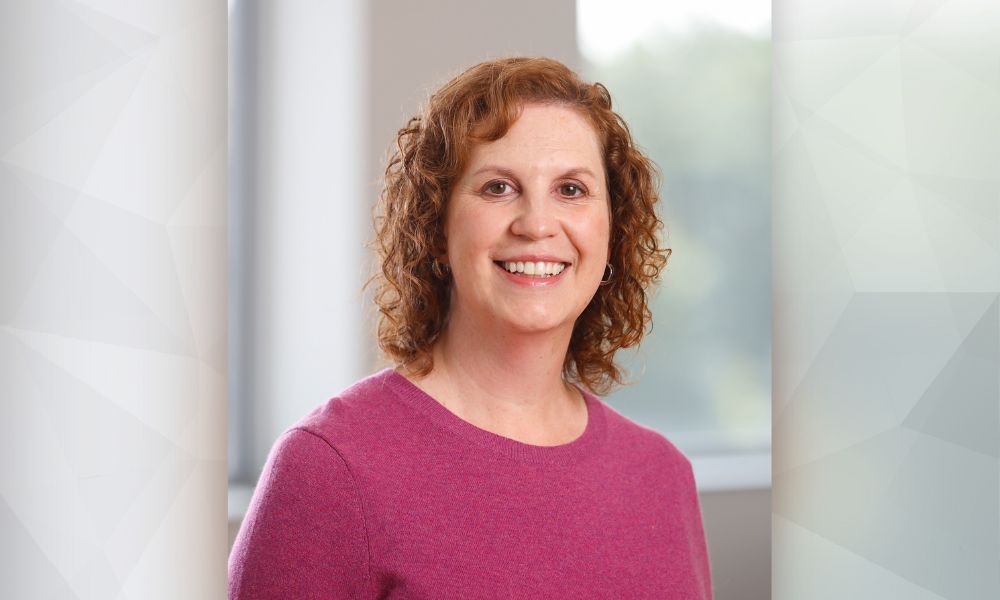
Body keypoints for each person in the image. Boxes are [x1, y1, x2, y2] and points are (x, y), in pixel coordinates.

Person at [228, 56, 712, 599]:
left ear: (611, 233)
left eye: (571, 190)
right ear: (436, 227)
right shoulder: (328, 468)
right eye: (498, 188)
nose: (536, 224)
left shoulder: (661, 477)